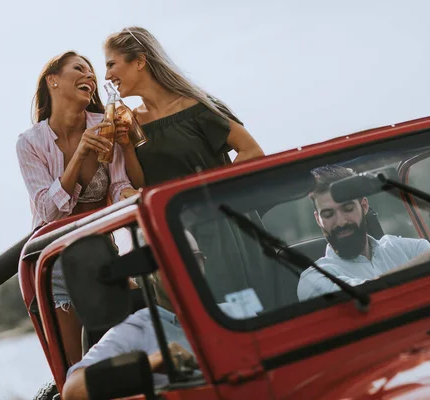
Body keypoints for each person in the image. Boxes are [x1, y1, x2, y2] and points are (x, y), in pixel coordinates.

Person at [16, 51, 137, 364]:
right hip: (55, 263)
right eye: (79, 69)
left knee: (124, 355)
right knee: (73, 366)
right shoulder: (30, 143)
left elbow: (120, 185)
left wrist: (134, 197)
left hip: (102, 254)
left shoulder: (107, 122)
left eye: (92, 72)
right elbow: (48, 212)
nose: (90, 76)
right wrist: (81, 152)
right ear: (52, 80)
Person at [61, 231, 255, 400]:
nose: (186, 268)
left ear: (203, 262)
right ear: (150, 273)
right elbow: (72, 390)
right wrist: (151, 362)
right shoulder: (137, 329)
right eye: (171, 260)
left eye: (193, 258)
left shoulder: (236, 312)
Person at [102, 26, 265, 189]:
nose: (107, 76)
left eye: (111, 64)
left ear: (139, 61)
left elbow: (251, 151)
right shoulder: (133, 121)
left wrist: (218, 193)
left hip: (220, 212)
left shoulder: (197, 107)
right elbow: (142, 186)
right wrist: (127, 147)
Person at [297, 165, 430, 301]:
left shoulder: (398, 247)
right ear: (318, 219)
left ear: (363, 206)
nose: (340, 222)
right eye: (328, 214)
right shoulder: (313, 279)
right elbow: (361, 295)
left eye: (347, 208)